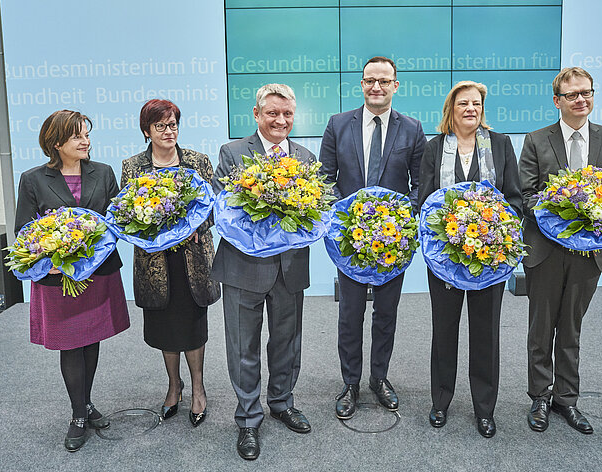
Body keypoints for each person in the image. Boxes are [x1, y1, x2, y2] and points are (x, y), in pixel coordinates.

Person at [519, 67, 602, 435]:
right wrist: (566, 207)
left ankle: (566, 399)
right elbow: (526, 196)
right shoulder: (536, 140)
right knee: (541, 329)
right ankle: (539, 396)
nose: (582, 100)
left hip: (590, 255)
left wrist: (598, 214)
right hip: (547, 252)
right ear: (557, 101)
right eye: (573, 95)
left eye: (587, 93)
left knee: (571, 329)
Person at [14, 110, 130, 452]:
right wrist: (48, 262)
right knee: (70, 343)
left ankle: (87, 401)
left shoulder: (104, 173)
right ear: (56, 142)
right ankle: (78, 414)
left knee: (91, 339)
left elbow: (116, 221)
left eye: (86, 135)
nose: (86, 141)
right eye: (77, 136)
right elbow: (25, 231)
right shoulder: (33, 179)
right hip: (57, 278)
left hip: (97, 274)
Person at [319, 56, 426, 420]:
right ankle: (350, 383)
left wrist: (396, 220)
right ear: (361, 84)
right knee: (350, 314)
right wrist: (350, 223)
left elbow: (419, 185)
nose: (375, 87)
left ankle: (379, 379)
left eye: (383, 81)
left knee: (386, 314)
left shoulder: (412, 128)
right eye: (369, 80)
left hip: (393, 243)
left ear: (396, 85)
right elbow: (325, 182)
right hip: (349, 241)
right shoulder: (337, 124)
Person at [212, 84, 314, 461]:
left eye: (287, 114)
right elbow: (223, 209)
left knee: (287, 344)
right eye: (272, 113)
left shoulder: (305, 157)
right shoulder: (232, 153)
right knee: (244, 349)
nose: (280, 121)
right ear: (256, 114)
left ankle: (282, 402)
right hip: (243, 268)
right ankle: (248, 418)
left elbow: (318, 210)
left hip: (289, 268)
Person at [418, 81, 522, 438]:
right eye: (463, 103)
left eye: (476, 103)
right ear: (451, 109)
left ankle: (484, 409)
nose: (470, 109)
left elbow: (514, 199)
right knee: (444, 331)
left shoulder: (501, 145)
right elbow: (423, 204)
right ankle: (441, 401)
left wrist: (495, 233)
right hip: (445, 260)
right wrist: (448, 237)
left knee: (486, 333)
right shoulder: (433, 149)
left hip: (489, 260)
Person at [121, 99, 220, 428]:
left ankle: (198, 389)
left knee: (193, 327)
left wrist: (196, 229)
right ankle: (173, 386)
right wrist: (149, 229)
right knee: (165, 327)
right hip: (155, 263)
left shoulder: (197, 161)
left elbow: (212, 210)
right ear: (147, 131)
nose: (169, 131)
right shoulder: (133, 167)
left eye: (173, 124)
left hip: (192, 261)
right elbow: (126, 216)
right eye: (161, 126)